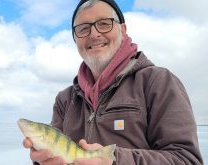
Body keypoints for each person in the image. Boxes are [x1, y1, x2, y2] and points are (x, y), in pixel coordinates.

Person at [23, 0, 203, 164]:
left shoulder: (158, 82)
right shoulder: (64, 99)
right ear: (75, 38)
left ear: (123, 31)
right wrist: (42, 161)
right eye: (83, 28)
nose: (94, 34)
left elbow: (186, 159)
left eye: (104, 24)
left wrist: (114, 160)